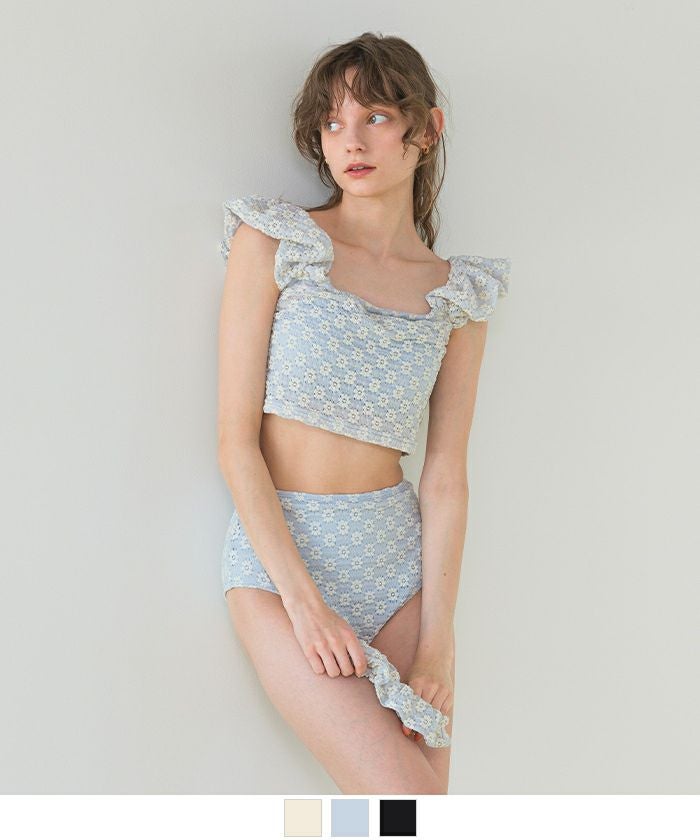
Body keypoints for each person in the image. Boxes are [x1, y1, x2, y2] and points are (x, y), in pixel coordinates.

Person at [217, 32, 510, 795]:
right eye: (333, 121)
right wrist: (305, 605)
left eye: (376, 116)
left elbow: (445, 476)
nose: (351, 140)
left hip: (397, 561)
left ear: (427, 129)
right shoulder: (276, 243)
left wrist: (440, 637)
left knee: (417, 814)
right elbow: (235, 443)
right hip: (280, 558)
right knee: (407, 801)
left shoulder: (457, 294)